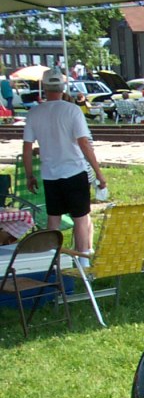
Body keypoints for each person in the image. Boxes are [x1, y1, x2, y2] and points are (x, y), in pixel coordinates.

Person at [21, 68, 106, 257]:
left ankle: (52, 259)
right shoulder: (73, 110)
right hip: (75, 171)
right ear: (63, 86)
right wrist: (99, 173)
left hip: (50, 174)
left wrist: (29, 175)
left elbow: (27, 148)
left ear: (44, 87)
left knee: (53, 218)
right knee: (81, 218)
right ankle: (83, 260)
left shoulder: (34, 113)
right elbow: (84, 142)